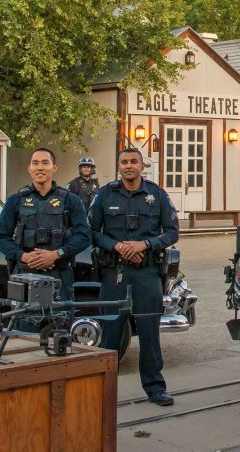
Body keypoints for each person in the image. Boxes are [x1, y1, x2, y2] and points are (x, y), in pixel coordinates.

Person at [90, 147, 179, 406]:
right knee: (110, 332)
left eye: (133, 162)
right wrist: (119, 247)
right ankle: (101, 391)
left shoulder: (157, 195)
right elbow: (92, 232)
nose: (128, 166)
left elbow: (172, 232)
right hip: (114, 271)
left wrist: (144, 245)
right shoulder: (105, 194)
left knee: (150, 331)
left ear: (142, 166)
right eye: (124, 162)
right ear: (119, 166)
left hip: (147, 271)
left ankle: (155, 388)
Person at [0, 148, 91, 303]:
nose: (40, 167)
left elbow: (85, 236)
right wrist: (24, 256)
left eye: (45, 163)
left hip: (60, 275)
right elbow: (1, 238)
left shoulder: (71, 200)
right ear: (29, 168)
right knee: (24, 325)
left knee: (60, 323)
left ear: (54, 167)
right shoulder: (15, 200)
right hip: (25, 275)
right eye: (35, 163)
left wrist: (55, 255)